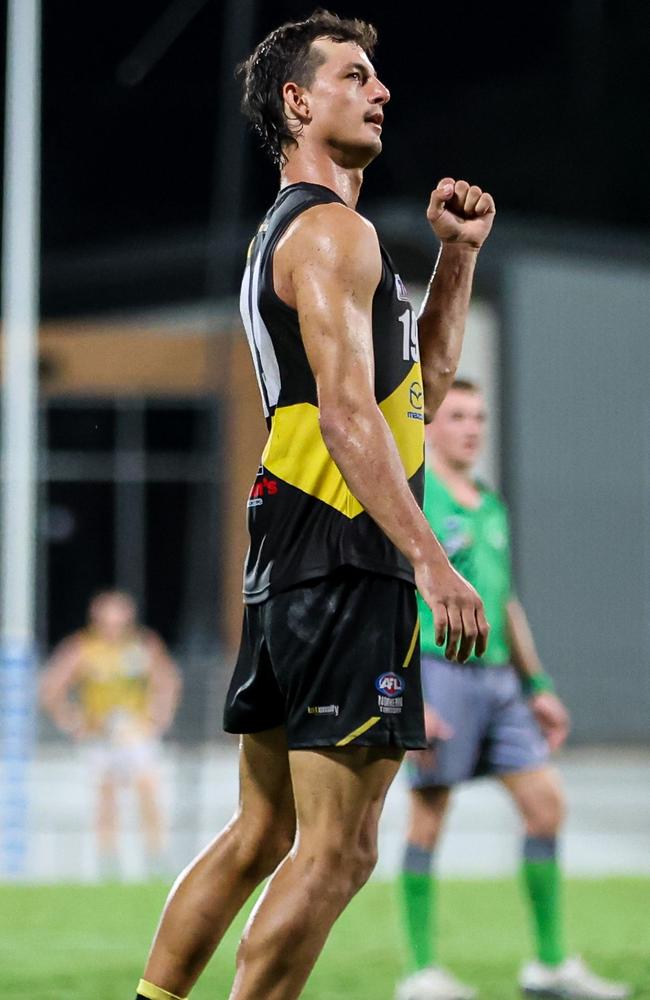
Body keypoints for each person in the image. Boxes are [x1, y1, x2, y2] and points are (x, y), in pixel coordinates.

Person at [134, 11, 495, 1000]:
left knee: (263, 834)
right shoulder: (331, 231)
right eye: (352, 75)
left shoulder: (302, 234)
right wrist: (428, 556)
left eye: (377, 78)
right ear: (297, 101)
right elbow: (346, 418)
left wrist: (454, 255)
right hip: (344, 553)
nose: (379, 91)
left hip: (292, 545)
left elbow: (409, 383)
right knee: (338, 851)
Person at [396, 380, 630, 1000]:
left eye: (479, 417)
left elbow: (506, 603)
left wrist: (539, 684)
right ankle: (421, 972)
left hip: (500, 681)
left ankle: (550, 965)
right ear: (429, 426)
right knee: (428, 819)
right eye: (457, 416)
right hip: (440, 673)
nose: (472, 428)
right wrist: (409, 694)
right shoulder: (416, 502)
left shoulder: (489, 505)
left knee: (546, 806)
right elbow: (392, 599)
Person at [40, 590, 182, 880]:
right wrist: (72, 721)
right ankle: (109, 862)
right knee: (106, 795)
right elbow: (51, 688)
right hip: (100, 734)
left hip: (135, 733)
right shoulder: (83, 647)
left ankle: (155, 856)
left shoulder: (143, 645)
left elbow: (167, 680)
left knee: (147, 788)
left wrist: (158, 718)